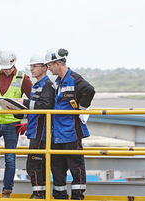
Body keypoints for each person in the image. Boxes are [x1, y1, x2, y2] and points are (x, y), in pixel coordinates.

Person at [0, 49, 32, 198]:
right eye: (4, 68)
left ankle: (7, 191)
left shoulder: (23, 78)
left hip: (12, 124)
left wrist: (27, 122)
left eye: (8, 68)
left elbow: (34, 102)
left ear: (14, 63)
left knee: (10, 159)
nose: (6, 71)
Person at [45, 48, 95, 200]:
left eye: (49, 65)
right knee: (57, 168)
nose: (48, 68)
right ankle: (60, 196)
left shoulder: (73, 79)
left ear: (58, 63)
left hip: (71, 132)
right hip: (57, 134)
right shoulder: (58, 82)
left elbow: (89, 90)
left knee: (76, 167)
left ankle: (77, 197)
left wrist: (81, 108)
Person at [13, 52, 55, 199]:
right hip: (35, 130)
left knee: (35, 164)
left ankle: (38, 194)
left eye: (35, 66)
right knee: (37, 164)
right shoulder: (37, 86)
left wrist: (23, 103)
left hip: (41, 132)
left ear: (44, 68)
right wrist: (18, 112)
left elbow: (45, 106)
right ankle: (40, 192)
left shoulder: (47, 85)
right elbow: (34, 108)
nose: (32, 69)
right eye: (31, 66)